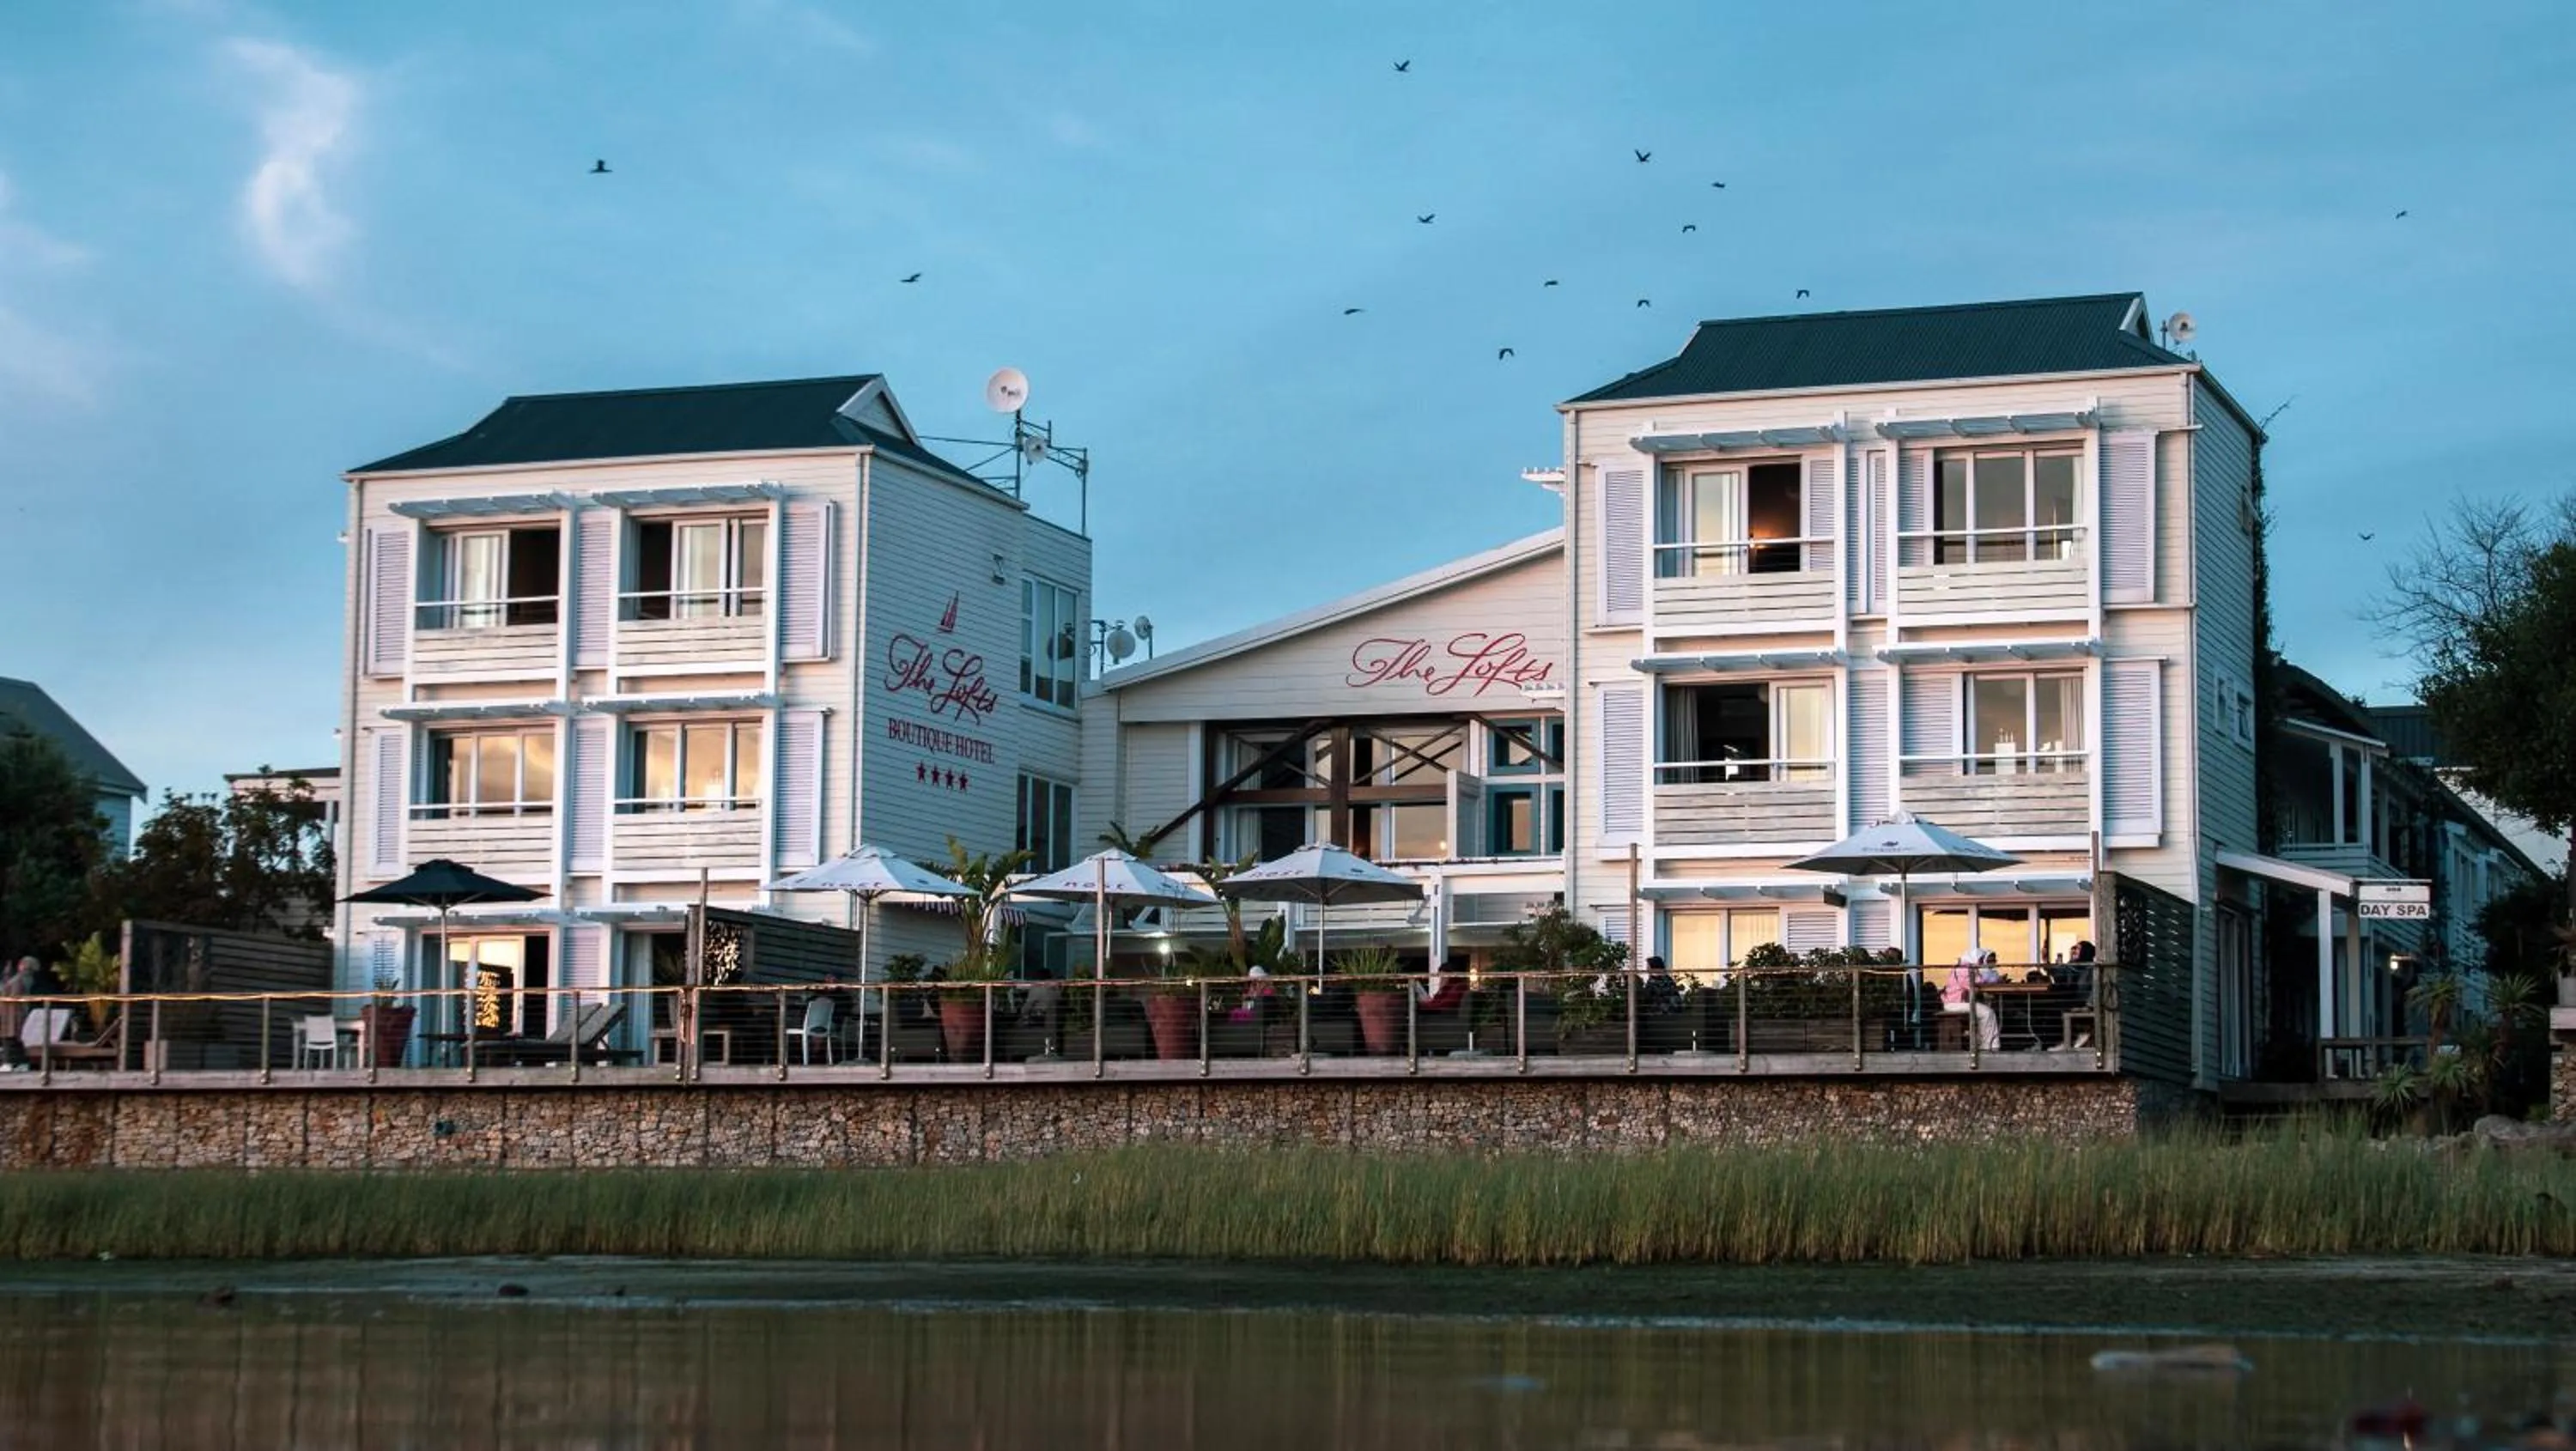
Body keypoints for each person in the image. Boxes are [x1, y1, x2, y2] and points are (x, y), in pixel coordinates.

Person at [1943, 946, 2002, 1051]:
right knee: (1987, 1013)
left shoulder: (1965, 968)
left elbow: (1977, 982)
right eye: (1980, 959)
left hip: (1957, 1002)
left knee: (1984, 1012)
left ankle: (1986, 1043)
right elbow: (1974, 985)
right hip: (1954, 1004)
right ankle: (1989, 1045)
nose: (1981, 962)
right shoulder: (1964, 969)